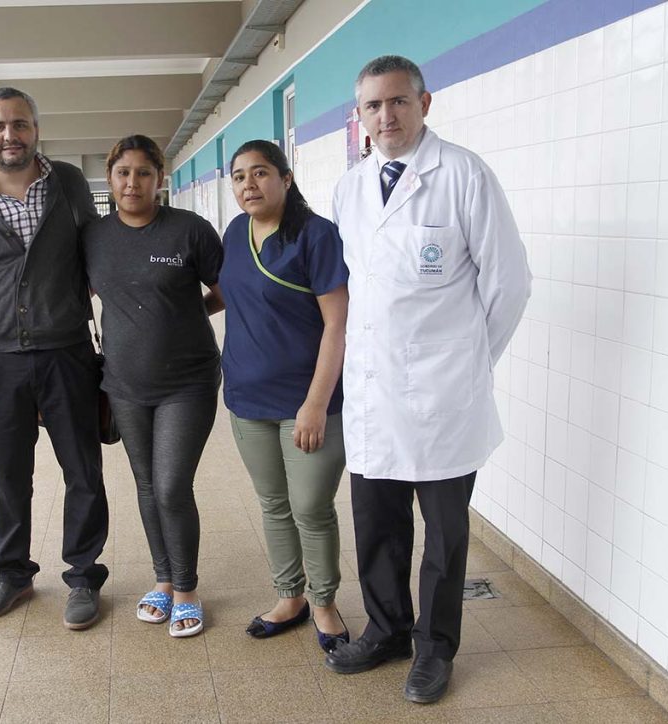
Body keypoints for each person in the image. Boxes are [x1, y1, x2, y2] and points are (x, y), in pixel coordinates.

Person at [328, 55, 531, 704]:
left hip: (445, 397)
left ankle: (435, 648)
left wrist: (469, 361)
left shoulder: (464, 174)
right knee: (377, 525)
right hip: (372, 392)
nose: (385, 116)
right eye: (372, 106)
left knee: (444, 537)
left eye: (397, 101)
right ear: (359, 116)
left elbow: (509, 283)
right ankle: (387, 630)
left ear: (424, 103)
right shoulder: (350, 188)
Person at [0, 87, 109, 630]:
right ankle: (12, 573)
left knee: (82, 470)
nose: (9, 135)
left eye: (19, 124)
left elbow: (97, 254)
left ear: (36, 129)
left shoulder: (70, 184)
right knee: (9, 475)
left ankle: (83, 576)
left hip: (68, 352)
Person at [83, 135, 222, 637]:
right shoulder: (93, 236)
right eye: (123, 173)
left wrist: (184, 314)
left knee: (170, 485)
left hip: (188, 381)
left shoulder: (189, 230)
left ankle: (186, 588)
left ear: (160, 179)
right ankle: (163, 579)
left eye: (144, 173)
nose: (132, 183)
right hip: (124, 384)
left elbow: (225, 290)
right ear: (110, 178)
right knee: (146, 485)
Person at [219, 140, 350, 654]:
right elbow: (229, 294)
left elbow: (337, 324)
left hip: (306, 402)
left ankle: (324, 602)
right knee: (274, 504)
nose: (248, 184)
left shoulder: (316, 235)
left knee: (310, 507)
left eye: (260, 173)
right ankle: (290, 596)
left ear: (286, 178)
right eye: (239, 177)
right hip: (247, 398)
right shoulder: (235, 233)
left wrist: (315, 403)